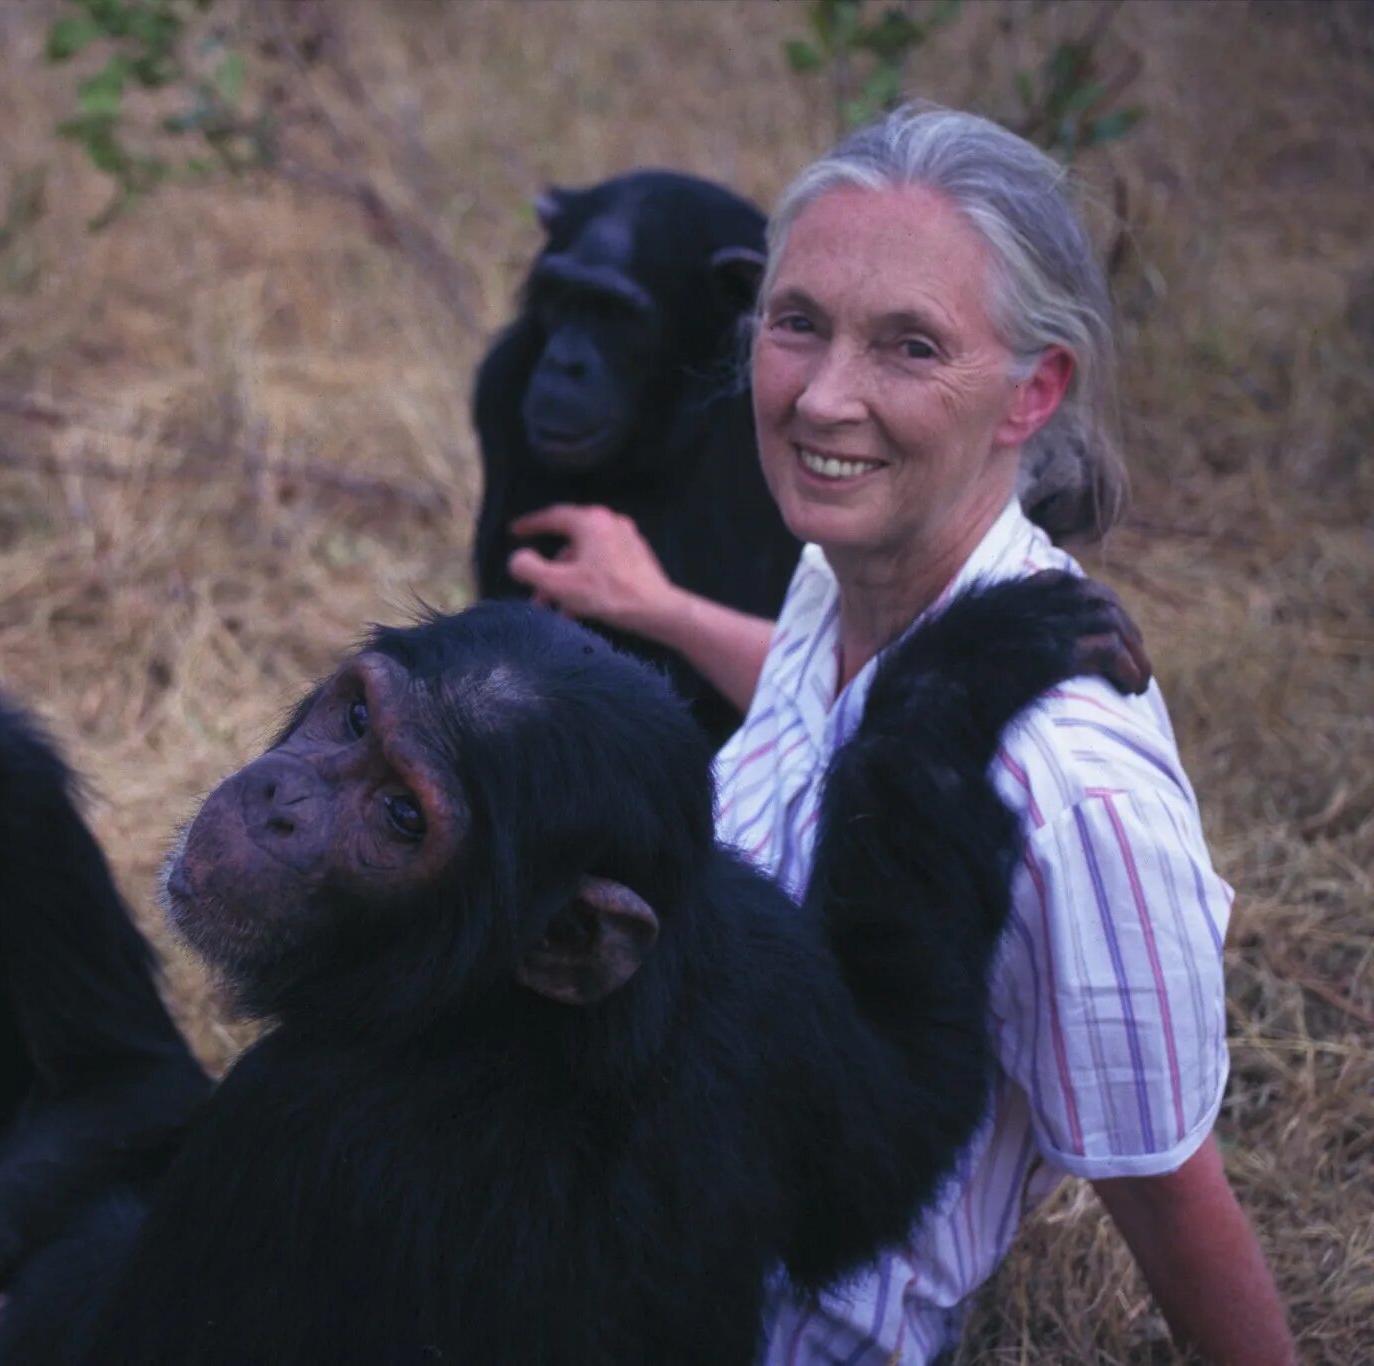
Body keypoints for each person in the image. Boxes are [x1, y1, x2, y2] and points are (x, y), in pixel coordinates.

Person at [505, 104, 1293, 1365]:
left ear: (1032, 391)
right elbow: (820, 714)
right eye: (796, 322)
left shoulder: (1072, 796)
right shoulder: (847, 570)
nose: (822, 398)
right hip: (616, 1210)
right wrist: (653, 608)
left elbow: (1168, 1190)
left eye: (908, 347)